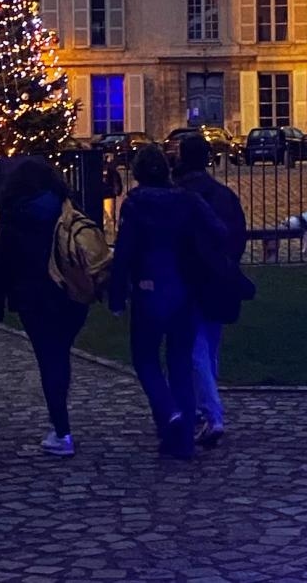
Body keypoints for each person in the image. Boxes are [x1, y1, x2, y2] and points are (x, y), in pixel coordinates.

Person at [109, 144, 225, 459]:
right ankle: (183, 438)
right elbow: (218, 230)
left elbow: (125, 252)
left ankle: (169, 411)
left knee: (145, 358)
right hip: (183, 289)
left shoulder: (135, 205)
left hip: (148, 289)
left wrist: (117, 294)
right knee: (179, 363)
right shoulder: (187, 200)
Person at [0, 159, 88, 457]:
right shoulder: (66, 206)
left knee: (50, 358)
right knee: (58, 354)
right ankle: (60, 424)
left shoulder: (15, 213)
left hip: (33, 294)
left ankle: (61, 429)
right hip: (69, 291)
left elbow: (0, 260)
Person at [174, 133, 247, 447]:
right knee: (210, 348)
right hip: (219, 277)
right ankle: (208, 408)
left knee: (195, 350)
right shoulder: (223, 195)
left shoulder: (181, 196)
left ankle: (212, 413)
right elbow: (238, 236)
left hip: (192, 279)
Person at [102, 154, 123, 239]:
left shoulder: (110, 170)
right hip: (108, 194)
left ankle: (110, 236)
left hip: (107, 194)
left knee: (109, 216)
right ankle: (110, 236)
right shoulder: (111, 170)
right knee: (109, 216)